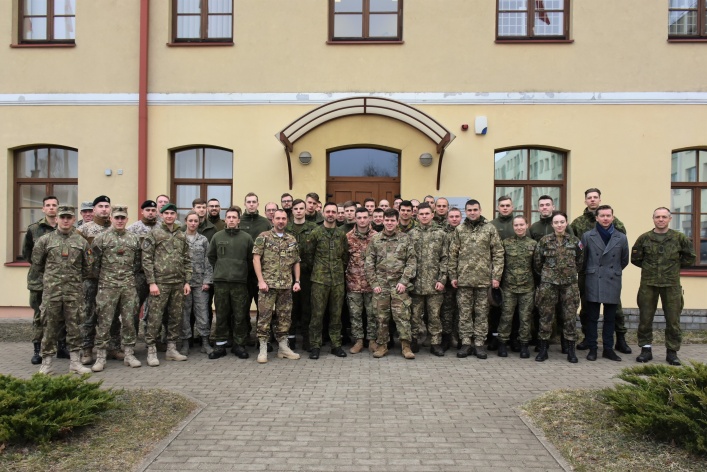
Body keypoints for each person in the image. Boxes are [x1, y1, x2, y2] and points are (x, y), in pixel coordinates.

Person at [631, 207, 695, 366]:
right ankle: (646, 350)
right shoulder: (644, 238)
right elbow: (636, 259)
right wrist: (652, 269)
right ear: (653, 219)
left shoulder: (679, 238)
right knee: (645, 318)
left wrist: (671, 268)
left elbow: (690, 258)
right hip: (649, 284)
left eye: (664, 217)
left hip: (671, 284)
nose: (660, 219)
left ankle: (672, 352)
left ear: (669, 219)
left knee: (673, 319)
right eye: (657, 217)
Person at [570, 188, 630, 354]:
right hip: (589, 275)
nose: (593, 200)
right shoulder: (578, 224)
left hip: (611, 276)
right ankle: (589, 341)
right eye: (589, 198)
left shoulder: (617, 226)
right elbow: (579, 252)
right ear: (586, 201)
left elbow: (623, 257)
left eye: (595, 197)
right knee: (589, 310)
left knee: (615, 311)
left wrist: (614, 270)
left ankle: (618, 341)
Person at [33, 206, 92, 375]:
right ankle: (47, 363)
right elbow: (37, 265)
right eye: (62, 217)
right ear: (56, 219)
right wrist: (53, 279)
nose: (65, 220)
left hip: (73, 292)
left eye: (69, 217)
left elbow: (88, 268)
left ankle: (75, 362)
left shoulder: (81, 242)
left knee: (74, 326)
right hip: (52, 292)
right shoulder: (45, 240)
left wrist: (72, 280)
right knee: (50, 326)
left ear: (74, 220)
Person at [449, 199, 504, 360]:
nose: (472, 212)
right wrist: (452, 275)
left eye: (475, 209)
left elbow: (498, 253)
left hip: (484, 280)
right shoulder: (459, 229)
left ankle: (479, 344)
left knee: (482, 314)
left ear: (480, 210)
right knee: (464, 313)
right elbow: (453, 254)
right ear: (465, 211)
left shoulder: (489, 229)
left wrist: (496, 276)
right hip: (463, 280)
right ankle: (466, 343)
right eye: (469, 210)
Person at [90, 205, 142, 372]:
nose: (120, 220)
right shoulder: (101, 238)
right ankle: (101, 357)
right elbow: (94, 264)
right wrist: (106, 278)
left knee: (129, 321)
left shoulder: (134, 239)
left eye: (123, 218)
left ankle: (128, 354)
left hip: (128, 285)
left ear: (127, 220)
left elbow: (137, 263)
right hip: (107, 286)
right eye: (117, 217)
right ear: (111, 218)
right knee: (104, 321)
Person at [141, 203, 192, 366]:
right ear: (161, 215)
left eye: (172, 213)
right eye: (166, 213)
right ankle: (151, 350)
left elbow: (186, 259)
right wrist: (152, 282)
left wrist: (187, 281)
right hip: (160, 283)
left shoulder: (181, 235)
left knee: (175, 317)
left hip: (177, 283)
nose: (169, 216)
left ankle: (171, 349)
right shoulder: (154, 234)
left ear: (176, 216)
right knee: (155, 317)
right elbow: (146, 259)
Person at [365, 209, 417, 359]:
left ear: (397, 221)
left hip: (399, 286)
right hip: (381, 286)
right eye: (386, 220)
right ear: (383, 221)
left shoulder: (405, 239)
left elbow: (411, 262)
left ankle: (406, 347)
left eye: (392, 220)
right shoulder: (375, 240)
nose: (389, 223)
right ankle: (382, 346)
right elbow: (369, 264)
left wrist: (404, 282)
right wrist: (374, 283)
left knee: (402, 317)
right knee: (381, 318)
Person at [580, 205, 629, 362]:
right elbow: (583, 259)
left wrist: (612, 270)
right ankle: (593, 348)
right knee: (592, 317)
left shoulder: (621, 237)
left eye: (608, 215)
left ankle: (608, 349)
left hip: (612, 279)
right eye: (602, 216)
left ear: (613, 217)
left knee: (610, 317)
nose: (605, 218)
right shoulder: (587, 236)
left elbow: (624, 260)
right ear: (597, 218)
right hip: (594, 278)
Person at [533, 211, 583, 363]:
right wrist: (549, 275)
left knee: (569, 317)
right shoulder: (544, 241)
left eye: (562, 222)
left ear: (566, 223)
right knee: (545, 316)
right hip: (549, 284)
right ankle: (543, 349)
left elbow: (580, 261)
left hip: (569, 285)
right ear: (552, 224)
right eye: (556, 222)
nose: (559, 225)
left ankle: (570, 350)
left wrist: (569, 274)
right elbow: (537, 262)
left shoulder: (575, 241)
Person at [253, 209, 302, 363]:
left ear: (287, 220)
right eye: (278, 218)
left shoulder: (291, 239)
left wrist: (297, 281)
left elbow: (296, 261)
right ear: (272, 220)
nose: (281, 221)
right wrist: (260, 280)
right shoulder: (264, 237)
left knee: (285, 318)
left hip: (286, 286)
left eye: (283, 218)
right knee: (264, 317)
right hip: (267, 285)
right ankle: (263, 348)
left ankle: (283, 347)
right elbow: (256, 259)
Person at [207, 206, 254, 360]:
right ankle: (220, 346)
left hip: (240, 283)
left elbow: (250, 259)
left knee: (240, 315)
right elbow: (212, 256)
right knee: (221, 315)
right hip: (221, 282)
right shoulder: (217, 236)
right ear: (225, 220)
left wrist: (240, 271)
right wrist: (222, 269)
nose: (232, 220)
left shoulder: (246, 238)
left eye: (234, 217)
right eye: (229, 217)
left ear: (238, 220)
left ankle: (239, 344)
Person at [306, 202, 349, 359]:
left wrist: (338, 269)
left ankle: (336, 345)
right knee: (317, 315)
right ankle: (315, 345)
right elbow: (308, 256)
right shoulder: (315, 233)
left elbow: (345, 256)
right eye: (328, 211)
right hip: (319, 280)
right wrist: (319, 269)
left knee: (336, 315)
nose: (331, 214)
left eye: (333, 212)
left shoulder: (341, 234)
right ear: (323, 213)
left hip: (337, 280)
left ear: (337, 214)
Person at [23, 195, 62, 364]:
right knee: (39, 315)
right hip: (39, 280)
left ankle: (62, 347)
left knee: (62, 314)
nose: (51, 208)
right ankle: (37, 350)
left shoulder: (66, 228)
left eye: (54, 205)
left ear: (58, 208)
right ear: (43, 209)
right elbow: (28, 254)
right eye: (48, 205)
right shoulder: (34, 229)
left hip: (61, 279)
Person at [77, 195, 114, 365]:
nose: (104, 209)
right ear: (94, 210)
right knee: (88, 314)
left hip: (110, 279)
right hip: (90, 279)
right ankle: (86, 349)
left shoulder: (115, 228)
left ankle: (113, 347)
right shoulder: (84, 230)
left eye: (107, 206)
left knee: (111, 315)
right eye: (101, 206)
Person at [409, 203, 448, 356]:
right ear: (417, 216)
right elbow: (407, 259)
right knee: (414, 316)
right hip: (416, 284)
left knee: (434, 316)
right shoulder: (411, 234)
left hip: (434, 284)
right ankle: (414, 341)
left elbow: (445, 258)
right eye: (421, 214)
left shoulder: (441, 234)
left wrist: (442, 279)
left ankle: (435, 343)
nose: (424, 216)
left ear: (432, 215)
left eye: (427, 213)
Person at [498, 215, 536, 359]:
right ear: (513, 227)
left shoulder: (533, 244)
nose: (519, 228)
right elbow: (501, 263)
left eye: (522, 225)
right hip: (509, 287)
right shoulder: (505, 243)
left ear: (527, 225)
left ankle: (524, 345)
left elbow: (537, 266)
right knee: (506, 317)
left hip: (527, 288)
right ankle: (502, 343)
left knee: (525, 318)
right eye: (516, 225)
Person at [180, 211, 214, 356]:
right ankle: (185, 343)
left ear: (198, 223)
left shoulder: (203, 240)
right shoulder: (180, 239)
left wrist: (207, 281)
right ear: (186, 221)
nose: (193, 223)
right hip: (184, 283)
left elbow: (208, 262)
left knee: (203, 313)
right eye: (190, 220)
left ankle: (205, 342)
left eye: (195, 221)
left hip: (200, 283)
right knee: (184, 314)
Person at [285, 199, 318, 350]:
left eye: (301, 208)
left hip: (307, 274)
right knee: (290, 308)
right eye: (296, 208)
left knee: (307, 308)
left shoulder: (313, 228)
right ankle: (290, 339)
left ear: (306, 210)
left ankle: (306, 339)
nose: (298, 211)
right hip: (287, 274)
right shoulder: (286, 228)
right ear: (292, 211)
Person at [345, 207, 378, 354]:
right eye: (359, 218)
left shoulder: (377, 237)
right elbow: (343, 259)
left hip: (372, 284)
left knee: (373, 314)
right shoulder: (347, 237)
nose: (362, 220)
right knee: (355, 314)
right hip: (354, 283)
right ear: (355, 219)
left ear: (370, 218)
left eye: (365, 217)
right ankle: (358, 340)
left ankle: (372, 340)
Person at [489, 195, 517, 351]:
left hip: (516, 273)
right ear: (498, 208)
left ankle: (513, 338)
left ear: (512, 207)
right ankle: (494, 337)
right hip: (496, 273)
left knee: (514, 308)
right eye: (502, 205)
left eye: (508, 205)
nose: (505, 208)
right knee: (496, 307)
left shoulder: (519, 224)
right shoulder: (492, 225)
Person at [440, 207, 462, 351]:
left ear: (461, 217)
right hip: (447, 279)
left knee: (461, 310)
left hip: (463, 278)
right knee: (447, 310)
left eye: (457, 216)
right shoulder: (442, 233)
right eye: (451, 216)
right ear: (447, 218)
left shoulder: (465, 232)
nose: (454, 219)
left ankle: (459, 337)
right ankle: (446, 338)